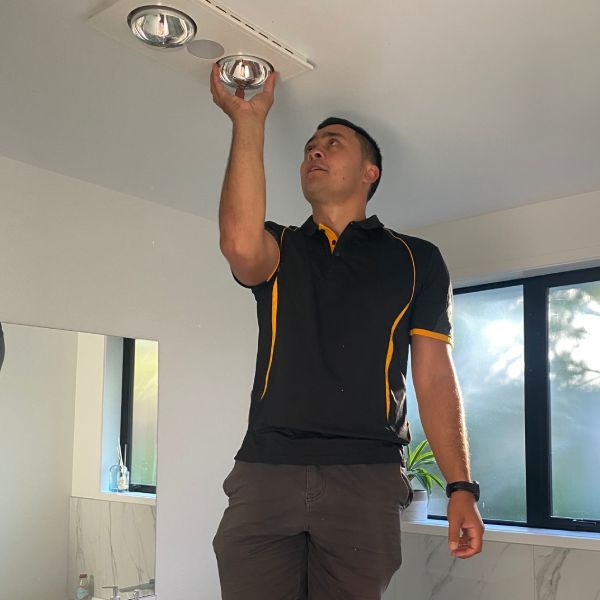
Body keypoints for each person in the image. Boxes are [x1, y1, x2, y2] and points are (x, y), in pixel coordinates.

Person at [210, 63, 484, 600]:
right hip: (266, 468)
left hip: (366, 474)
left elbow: (432, 377)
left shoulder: (417, 259)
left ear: (369, 172)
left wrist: (460, 486)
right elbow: (240, 247)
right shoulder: (280, 246)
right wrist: (249, 118)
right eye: (310, 145)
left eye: (331, 143)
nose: (314, 150)